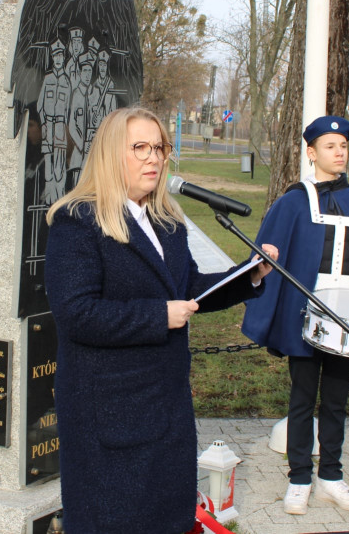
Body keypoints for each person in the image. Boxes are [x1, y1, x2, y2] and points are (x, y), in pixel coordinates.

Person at [44, 106, 277, 533]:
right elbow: (76, 314)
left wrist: (247, 277)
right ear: (112, 154)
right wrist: (158, 316)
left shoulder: (166, 222)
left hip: (164, 403)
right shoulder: (77, 221)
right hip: (108, 409)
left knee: (165, 518)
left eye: (160, 147)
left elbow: (188, 289)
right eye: (140, 148)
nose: (154, 158)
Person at [241, 116, 349, 515]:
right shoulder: (293, 200)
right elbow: (267, 258)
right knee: (302, 398)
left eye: (343, 145)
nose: (339, 151)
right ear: (311, 153)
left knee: (337, 401)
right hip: (305, 317)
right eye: (329, 146)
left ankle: (331, 475)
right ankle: (299, 477)